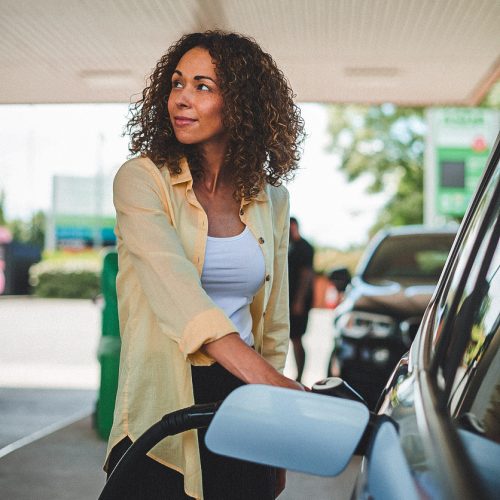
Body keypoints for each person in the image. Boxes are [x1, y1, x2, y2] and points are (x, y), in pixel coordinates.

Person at [104, 30, 305, 500]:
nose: (182, 99)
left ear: (242, 104)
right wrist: (273, 382)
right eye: (177, 84)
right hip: (163, 407)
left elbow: (273, 325)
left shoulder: (271, 200)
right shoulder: (142, 181)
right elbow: (177, 292)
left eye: (203, 86)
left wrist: (273, 430)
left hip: (245, 404)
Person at [288, 217, 315, 383]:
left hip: (299, 302)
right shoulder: (286, 245)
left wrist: (299, 301)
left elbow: (307, 275)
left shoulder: (305, 248)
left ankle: (300, 375)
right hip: (288, 299)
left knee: (297, 338)